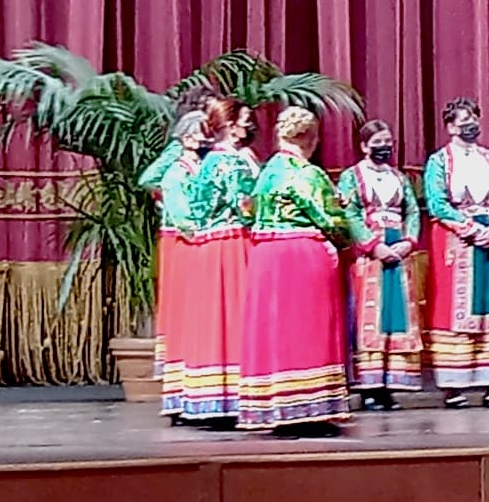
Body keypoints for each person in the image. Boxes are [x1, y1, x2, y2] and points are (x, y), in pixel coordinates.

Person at [238, 107, 351, 432]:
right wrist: (343, 234)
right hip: (301, 255)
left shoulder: (266, 171)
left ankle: (277, 406)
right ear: (309, 137)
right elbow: (330, 218)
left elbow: (247, 213)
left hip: (266, 255)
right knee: (307, 327)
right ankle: (309, 409)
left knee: (276, 330)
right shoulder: (307, 173)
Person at [165, 97, 259, 423]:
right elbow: (247, 207)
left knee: (212, 319)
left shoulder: (206, 163)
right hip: (233, 245)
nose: (250, 124)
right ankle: (233, 398)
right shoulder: (232, 163)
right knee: (233, 316)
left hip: (207, 247)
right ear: (232, 126)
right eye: (245, 118)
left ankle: (208, 398)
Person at [423, 97, 489, 407]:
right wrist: (470, 228)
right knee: (456, 308)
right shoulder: (440, 161)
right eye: (463, 121)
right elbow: (436, 202)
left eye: (473, 119)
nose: (470, 126)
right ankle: (454, 384)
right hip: (457, 239)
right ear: (450, 126)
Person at [336, 119, 423, 409]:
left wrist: (408, 242)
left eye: (388, 143)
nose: (384, 148)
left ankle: (391, 384)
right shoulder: (352, 177)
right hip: (370, 257)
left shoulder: (399, 177)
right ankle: (370, 386)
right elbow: (350, 214)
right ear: (364, 146)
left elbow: (412, 210)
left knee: (395, 316)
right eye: (378, 143)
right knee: (370, 318)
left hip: (398, 251)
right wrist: (374, 246)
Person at [137, 100, 210, 418]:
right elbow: (149, 180)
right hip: (180, 238)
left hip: (198, 237)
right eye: (196, 131)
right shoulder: (176, 163)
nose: (202, 136)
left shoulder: (208, 162)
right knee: (182, 309)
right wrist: (166, 203)